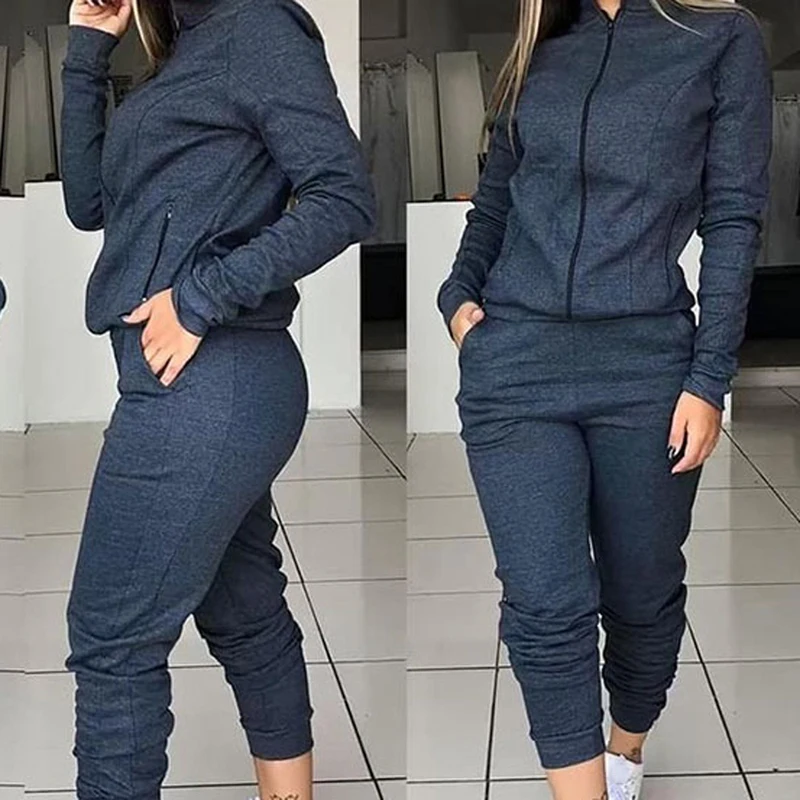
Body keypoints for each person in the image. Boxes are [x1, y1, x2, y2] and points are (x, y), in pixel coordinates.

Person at [438, 0, 770, 798]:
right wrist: (458, 296)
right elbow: (497, 198)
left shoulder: (720, 37)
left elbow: (734, 217)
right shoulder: (542, 46)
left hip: (645, 368)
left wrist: (709, 378)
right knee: (544, 604)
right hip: (516, 364)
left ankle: (625, 750)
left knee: (641, 592)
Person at [61, 1, 375, 798]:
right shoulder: (184, 48)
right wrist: (89, 51)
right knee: (243, 609)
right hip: (193, 384)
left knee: (111, 638)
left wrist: (202, 297)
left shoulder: (256, 28)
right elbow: (88, 204)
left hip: (213, 376)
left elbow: (343, 194)